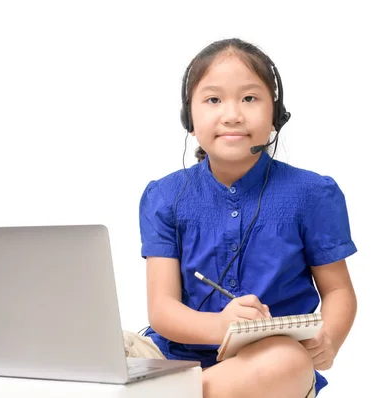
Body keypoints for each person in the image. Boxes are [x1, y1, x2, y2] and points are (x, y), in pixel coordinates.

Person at [123, 38, 358, 398]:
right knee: (92, 347)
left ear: (275, 116)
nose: (232, 114)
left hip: (266, 363)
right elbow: (162, 309)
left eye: (249, 98)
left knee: (288, 361)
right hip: (172, 358)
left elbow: (338, 289)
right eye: (214, 100)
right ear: (190, 118)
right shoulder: (164, 196)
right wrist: (220, 325)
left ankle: (170, 393)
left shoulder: (313, 193)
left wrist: (331, 337)